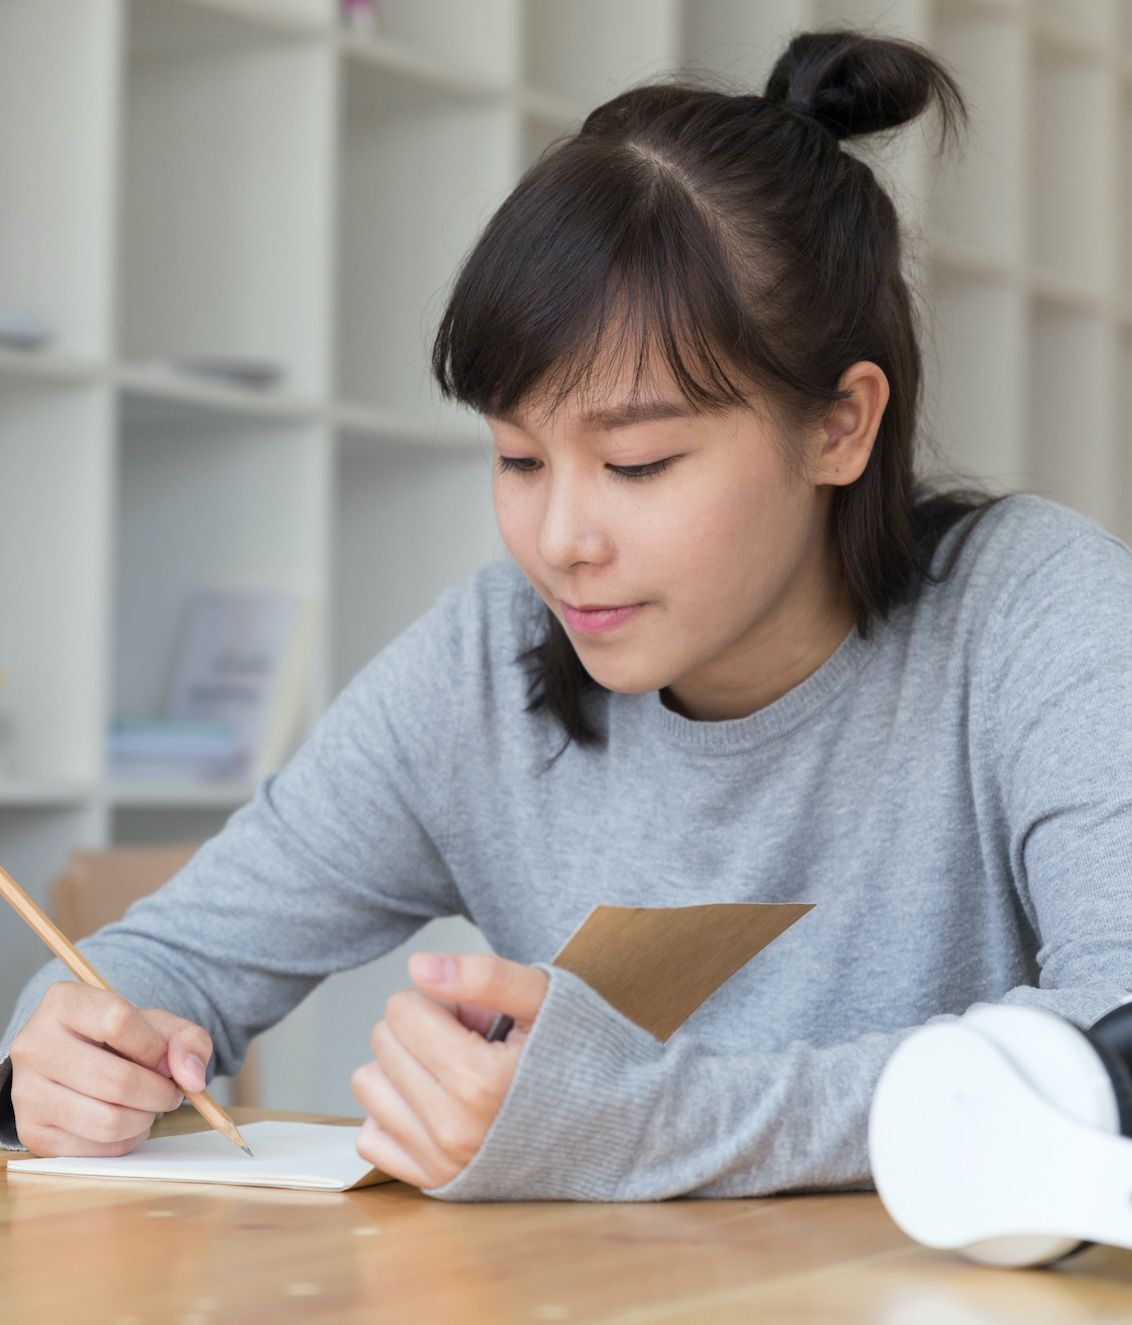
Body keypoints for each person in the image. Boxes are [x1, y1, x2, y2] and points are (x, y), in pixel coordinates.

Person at [3, 27, 1131, 1202]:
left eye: (638, 463)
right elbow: (169, 958)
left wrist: (652, 1124)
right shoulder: (485, 662)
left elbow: (1122, 1035)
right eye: (517, 457)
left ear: (841, 424)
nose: (559, 542)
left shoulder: (1034, 616)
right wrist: (69, 1052)